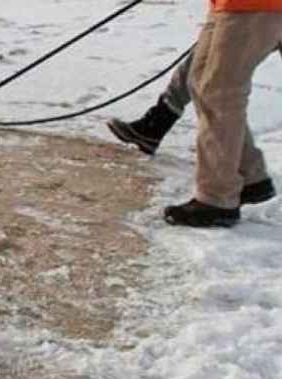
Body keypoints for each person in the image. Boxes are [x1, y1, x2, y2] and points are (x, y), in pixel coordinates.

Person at [109, 2, 280, 227]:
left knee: (220, 93)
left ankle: (217, 199)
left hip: (253, 7)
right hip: (230, 6)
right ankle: (249, 175)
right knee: (200, 84)